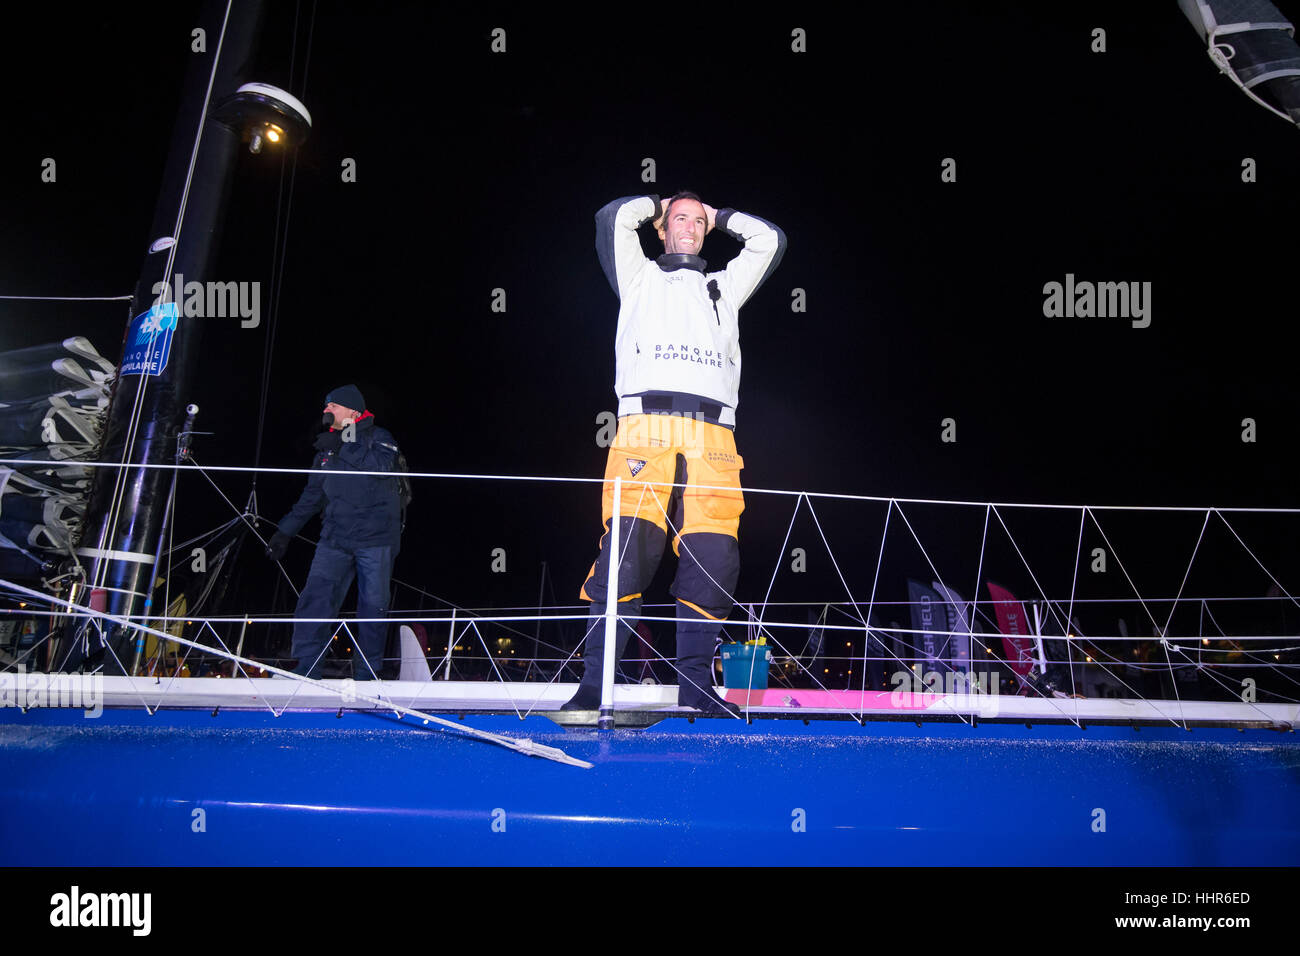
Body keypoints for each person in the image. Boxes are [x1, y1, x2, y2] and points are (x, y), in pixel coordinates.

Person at [563, 191, 786, 713]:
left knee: (714, 560)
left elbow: (770, 239)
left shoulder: (723, 287)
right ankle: (596, 685)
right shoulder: (638, 277)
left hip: (715, 435)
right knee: (626, 554)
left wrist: (721, 214)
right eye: (678, 219)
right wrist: (658, 202)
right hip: (645, 427)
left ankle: (697, 689)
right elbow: (611, 217)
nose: (688, 226)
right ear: (662, 228)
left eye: (697, 221)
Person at [267, 384, 403, 679]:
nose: (326, 410)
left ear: (353, 412)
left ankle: (368, 670)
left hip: (376, 540)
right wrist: (284, 532)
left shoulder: (380, 438)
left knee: (373, 606)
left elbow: (381, 467)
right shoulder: (327, 450)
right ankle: (307, 664)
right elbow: (312, 496)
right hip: (335, 539)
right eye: (325, 406)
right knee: (316, 597)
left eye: (333, 406)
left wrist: (343, 443)